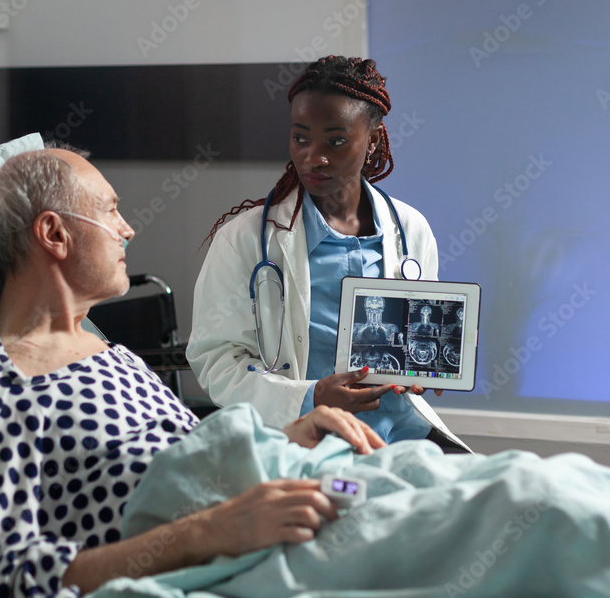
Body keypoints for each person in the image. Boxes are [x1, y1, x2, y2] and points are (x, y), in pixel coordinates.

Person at [0, 147, 385, 598]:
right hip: (241, 561)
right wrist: (215, 531)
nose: (128, 227)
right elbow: (6, 583)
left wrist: (290, 438)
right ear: (54, 233)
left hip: (284, 499)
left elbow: (194, 457)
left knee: (425, 489)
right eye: (110, 210)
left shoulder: (114, 356)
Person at [187, 55, 466, 449]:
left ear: (372, 139)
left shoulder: (411, 228)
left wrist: (425, 368)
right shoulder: (245, 240)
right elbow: (216, 362)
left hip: (403, 435)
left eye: (335, 141)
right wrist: (311, 396)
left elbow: (417, 334)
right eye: (301, 137)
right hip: (308, 439)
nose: (312, 157)